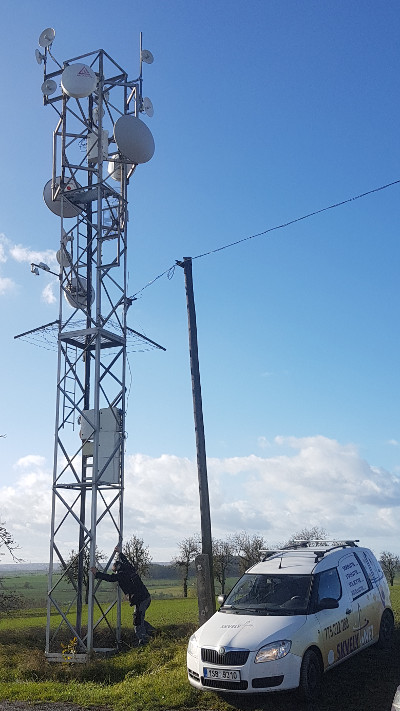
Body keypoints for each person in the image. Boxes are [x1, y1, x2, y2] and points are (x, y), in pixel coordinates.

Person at [90, 545, 153, 645]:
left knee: (137, 621)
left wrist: (97, 573)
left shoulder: (122, 574)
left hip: (140, 599)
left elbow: (110, 578)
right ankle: (155, 633)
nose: (113, 569)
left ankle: (143, 641)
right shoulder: (129, 568)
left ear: (117, 568)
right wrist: (120, 553)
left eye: (114, 568)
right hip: (145, 597)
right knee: (139, 619)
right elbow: (126, 561)